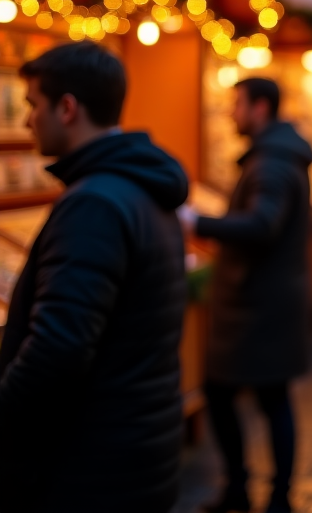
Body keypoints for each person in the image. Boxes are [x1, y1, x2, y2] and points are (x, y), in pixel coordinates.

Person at [0, 43, 188, 512]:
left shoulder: (95, 204)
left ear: (67, 108)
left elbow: (58, 349)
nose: (27, 121)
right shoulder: (140, 188)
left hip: (91, 467)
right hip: (137, 449)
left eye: (32, 105)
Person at [181, 77, 312, 513]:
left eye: (236, 105)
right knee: (258, 397)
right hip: (266, 300)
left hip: (258, 304)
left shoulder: (272, 162)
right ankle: (260, 492)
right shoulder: (278, 155)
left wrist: (198, 223)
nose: (230, 113)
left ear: (260, 108)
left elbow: (262, 225)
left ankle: (265, 494)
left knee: (248, 397)